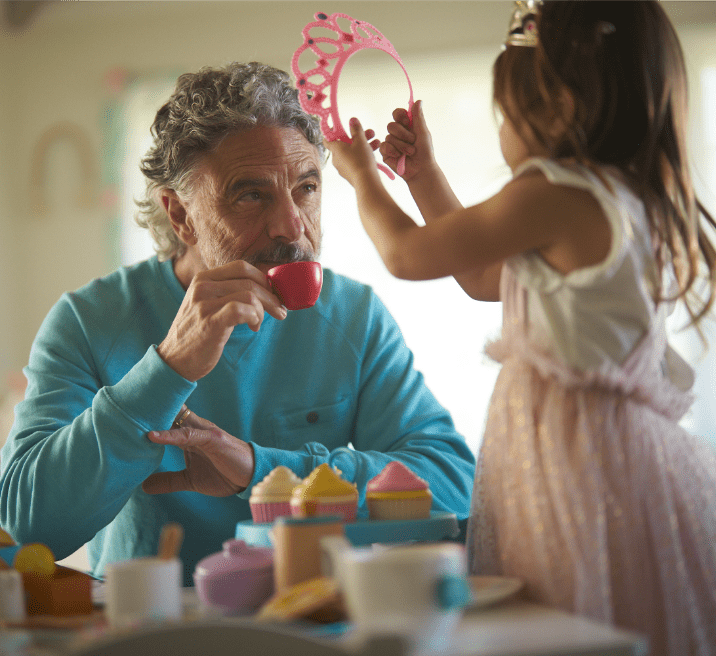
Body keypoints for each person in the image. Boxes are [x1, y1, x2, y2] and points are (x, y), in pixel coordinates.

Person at [326, 2, 716, 654]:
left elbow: (406, 256)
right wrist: (422, 177)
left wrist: (363, 177)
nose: (503, 131)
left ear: (560, 107)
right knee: (605, 613)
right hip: (617, 453)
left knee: (557, 616)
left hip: (569, 459)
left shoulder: (552, 192)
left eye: (505, 115)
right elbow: (484, 277)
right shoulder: (625, 195)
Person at [0, 62, 475, 586]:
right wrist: (169, 367)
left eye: (307, 187)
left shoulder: (354, 316)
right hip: (152, 631)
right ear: (180, 215)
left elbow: (455, 484)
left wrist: (259, 469)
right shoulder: (88, 321)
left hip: (317, 620)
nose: (292, 225)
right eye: (251, 194)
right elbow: (27, 526)